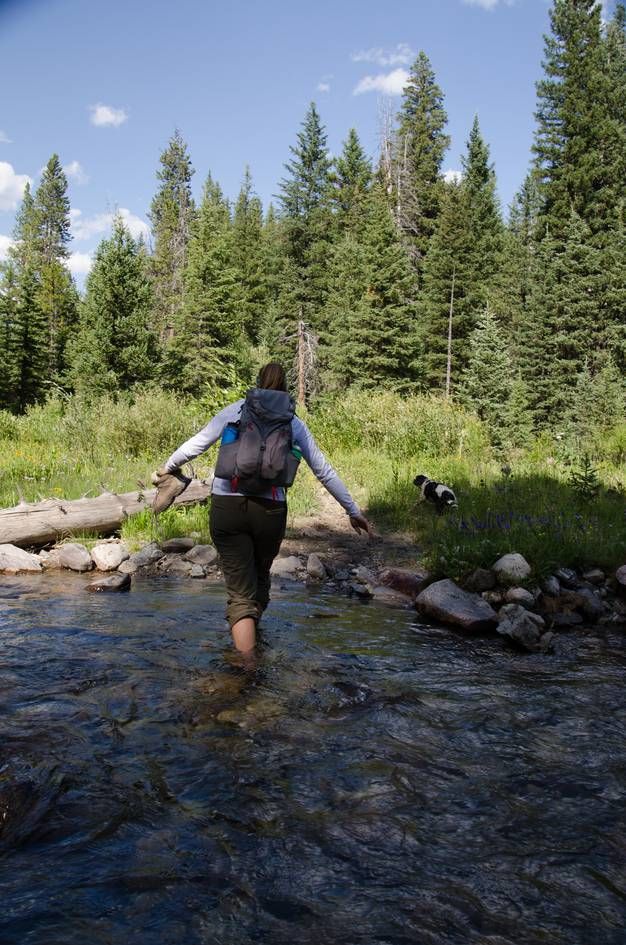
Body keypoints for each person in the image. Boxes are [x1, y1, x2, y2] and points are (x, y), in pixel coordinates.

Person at [155, 363, 371, 655]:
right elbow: (324, 470)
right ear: (284, 388)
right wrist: (352, 510)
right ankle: (252, 645)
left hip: (228, 507)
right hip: (270, 511)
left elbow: (198, 443)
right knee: (260, 579)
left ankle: (246, 666)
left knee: (240, 593)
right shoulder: (292, 422)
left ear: (257, 384)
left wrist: (168, 466)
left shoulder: (236, 410)